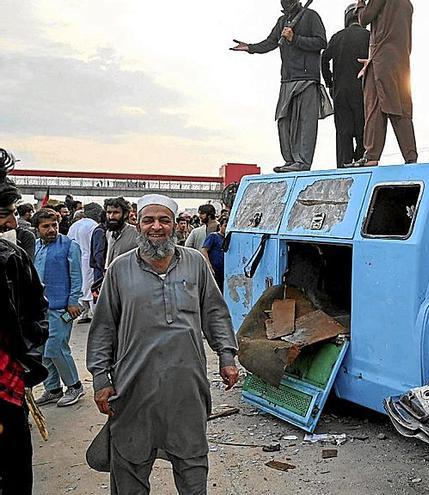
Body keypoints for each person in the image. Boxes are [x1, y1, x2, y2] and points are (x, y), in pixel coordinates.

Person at [87, 194, 239, 494]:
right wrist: (100, 378)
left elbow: (215, 313)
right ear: (138, 223)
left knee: (192, 460)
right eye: (149, 220)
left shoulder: (195, 263)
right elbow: (103, 326)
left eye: (164, 220)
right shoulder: (119, 269)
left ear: (175, 225)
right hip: (133, 385)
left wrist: (227, 356)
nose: (156, 227)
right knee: (129, 462)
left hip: (186, 384)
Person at [232, 0, 327, 172]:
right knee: (283, 121)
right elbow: (270, 42)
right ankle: (290, 161)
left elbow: (321, 42)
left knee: (306, 123)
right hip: (287, 79)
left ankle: (302, 162)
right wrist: (250, 48)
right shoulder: (282, 21)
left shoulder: (311, 16)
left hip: (307, 78)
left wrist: (295, 38)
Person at [0, 178, 48, 495]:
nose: (11, 222)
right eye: (5, 213)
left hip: (6, 388)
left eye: (12, 212)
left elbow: (35, 315)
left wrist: (22, 364)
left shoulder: (13, 258)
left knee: (12, 469)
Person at [352, 0, 417, 166]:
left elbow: (364, 18)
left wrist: (360, 3)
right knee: (400, 108)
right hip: (400, 60)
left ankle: (371, 156)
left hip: (380, 58)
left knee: (375, 107)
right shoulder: (407, 3)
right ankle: (410, 156)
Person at [31, 209, 85, 407]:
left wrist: (73, 302)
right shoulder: (35, 247)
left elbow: (76, 276)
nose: (52, 229)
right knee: (41, 350)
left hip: (62, 308)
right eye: (46, 226)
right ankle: (52, 389)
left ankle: (75, 386)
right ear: (37, 228)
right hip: (39, 309)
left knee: (56, 348)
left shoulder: (70, 246)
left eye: (54, 225)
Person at [322, 4, 371, 167]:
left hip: (340, 91)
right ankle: (360, 162)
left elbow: (324, 59)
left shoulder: (337, 37)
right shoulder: (369, 36)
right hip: (363, 90)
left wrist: (329, 82)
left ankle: (344, 164)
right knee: (362, 129)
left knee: (343, 131)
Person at [67, 202, 102, 323]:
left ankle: (82, 314)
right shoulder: (94, 226)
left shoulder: (74, 225)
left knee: (80, 287)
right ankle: (96, 314)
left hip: (76, 260)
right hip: (89, 261)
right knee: (92, 287)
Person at [104, 197, 139, 266]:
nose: (111, 216)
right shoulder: (109, 233)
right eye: (109, 212)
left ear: (125, 214)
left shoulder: (136, 233)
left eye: (116, 213)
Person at [201, 217, 228, 292]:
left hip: (224, 272)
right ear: (220, 226)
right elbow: (204, 250)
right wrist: (209, 265)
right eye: (225, 226)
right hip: (214, 271)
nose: (227, 229)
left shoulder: (229, 239)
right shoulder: (213, 236)